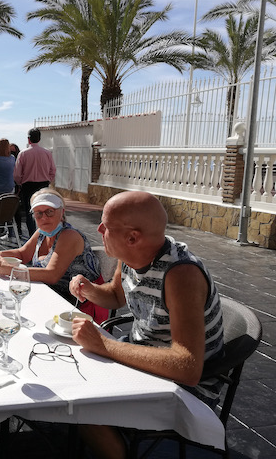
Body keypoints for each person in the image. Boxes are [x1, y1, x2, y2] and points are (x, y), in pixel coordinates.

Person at [68, 191, 224, 459]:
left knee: (82, 404)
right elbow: (117, 295)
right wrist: (90, 289)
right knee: (72, 372)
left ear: (132, 237)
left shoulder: (181, 275)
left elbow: (187, 368)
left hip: (186, 389)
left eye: (106, 225)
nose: (99, 230)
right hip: (144, 359)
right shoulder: (131, 256)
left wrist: (104, 345)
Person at [0, 188, 109, 322]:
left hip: (79, 309)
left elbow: (52, 275)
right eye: (38, 213)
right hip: (52, 298)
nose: (44, 217)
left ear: (62, 212)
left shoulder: (69, 236)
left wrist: (10, 270)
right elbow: (22, 254)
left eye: (50, 211)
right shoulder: (42, 232)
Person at [13, 128, 56, 236]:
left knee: (29, 212)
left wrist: (20, 183)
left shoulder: (23, 154)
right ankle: (44, 234)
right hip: (43, 185)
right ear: (39, 139)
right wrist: (48, 180)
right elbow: (53, 170)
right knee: (44, 210)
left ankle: (33, 236)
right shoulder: (47, 153)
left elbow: (17, 174)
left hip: (28, 186)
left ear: (29, 139)